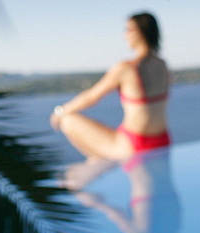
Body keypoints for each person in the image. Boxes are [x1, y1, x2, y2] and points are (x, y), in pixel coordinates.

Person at [50, 13, 171, 173]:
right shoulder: (163, 65)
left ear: (141, 32)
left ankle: (99, 162)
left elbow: (91, 97)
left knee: (68, 120)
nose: (125, 35)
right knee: (163, 193)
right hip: (162, 140)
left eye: (128, 30)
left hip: (134, 145)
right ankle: (99, 161)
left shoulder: (126, 68)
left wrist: (59, 112)